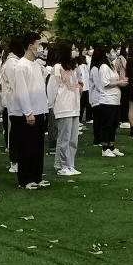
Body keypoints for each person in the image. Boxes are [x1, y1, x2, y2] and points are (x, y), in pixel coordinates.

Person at [12, 32, 49, 190]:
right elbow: (22, 91)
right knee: (27, 147)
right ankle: (25, 180)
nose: (41, 48)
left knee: (38, 147)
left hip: (40, 110)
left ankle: (37, 177)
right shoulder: (22, 65)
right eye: (38, 44)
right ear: (30, 46)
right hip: (29, 113)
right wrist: (28, 112)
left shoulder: (36, 64)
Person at [47, 43, 81, 176]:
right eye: (72, 49)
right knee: (64, 138)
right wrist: (51, 105)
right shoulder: (57, 67)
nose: (75, 51)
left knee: (73, 140)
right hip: (63, 107)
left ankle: (70, 164)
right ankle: (61, 166)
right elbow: (52, 87)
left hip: (74, 107)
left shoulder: (72, 69)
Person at [96, 46, 128, 157]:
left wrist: (121, 81)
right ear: (107, 54)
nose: (115, 53)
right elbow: (105, 83)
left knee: (113, 125)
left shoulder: (112, 66)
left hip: (115, 100)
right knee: (107, 125)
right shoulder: (104, 67)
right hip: (107, 100)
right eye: (113, 51)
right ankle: (105, 148)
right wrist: (119, 82)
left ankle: (111, 146)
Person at [1, 37, 23, 173]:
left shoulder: (18, 62)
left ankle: (18, 159)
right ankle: (13, 162)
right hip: (12, 105)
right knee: (13, 134)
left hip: (19, 104)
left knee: (18, 134)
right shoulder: (11, 63)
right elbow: (16, 84)